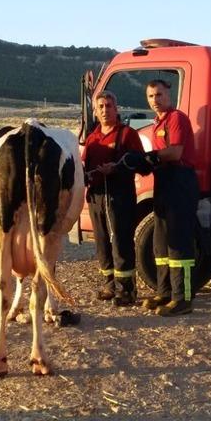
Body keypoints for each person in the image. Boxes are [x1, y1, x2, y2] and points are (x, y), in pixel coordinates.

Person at [138, 79, 199, 316]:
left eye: (159, 95)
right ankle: (164, 292)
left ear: (169, 94)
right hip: (164, 180)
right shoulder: (156, 124)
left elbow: (175, 152)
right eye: (151, 96)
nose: (155, 100)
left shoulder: (176, 118)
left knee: (180, 243)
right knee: (161, 241)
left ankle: (182, 299)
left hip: (180, 180)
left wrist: (151, 157)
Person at [82, 90, 144, 307]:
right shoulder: (92, 138)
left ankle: (126, 289)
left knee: (121, 240)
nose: (105, 110)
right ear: (95, 112)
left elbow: (141, 163)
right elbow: (85, 167)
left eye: (109, 106)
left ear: (116, 109)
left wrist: (116, 169)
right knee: (101, 242)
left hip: (119, 196)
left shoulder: (127, 134)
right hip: (96, 197)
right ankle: (109, 283)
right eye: (101, 107)